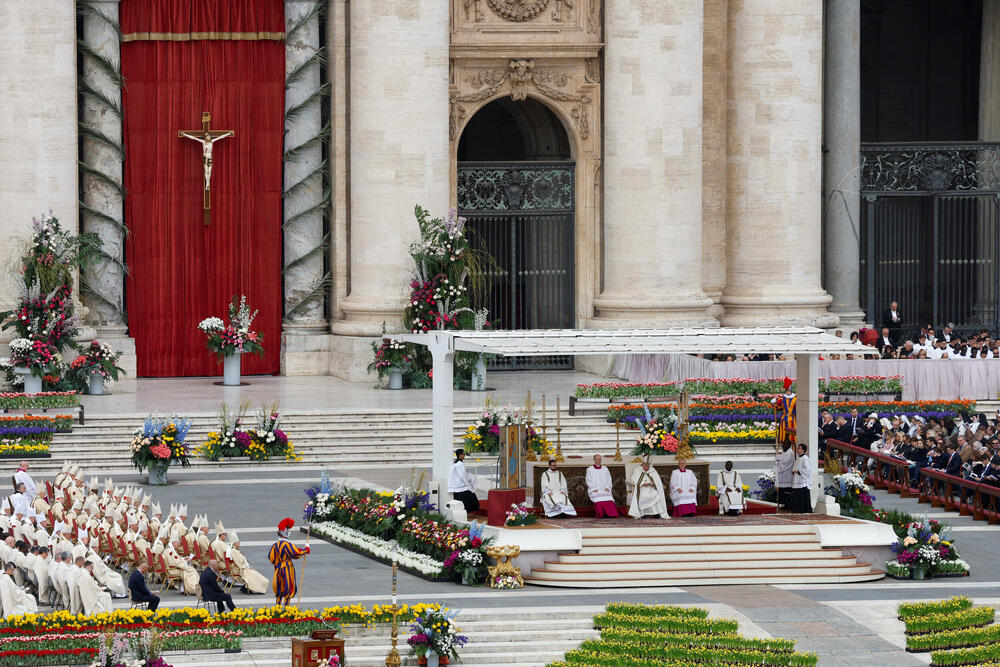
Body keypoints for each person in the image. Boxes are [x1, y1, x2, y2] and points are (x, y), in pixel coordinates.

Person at [268, 518, 309, 606]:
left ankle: (277, 609)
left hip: (278, 569)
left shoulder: (275, 545)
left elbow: (271, 558)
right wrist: (305, 549)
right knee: (288, 589)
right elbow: (296, 553)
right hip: (287, 568)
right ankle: (287, 609)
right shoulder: (287, 544)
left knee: (279, 590)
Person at [448, 449, 479, 513]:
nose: (464, 455)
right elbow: (462, 475)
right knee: (470, 499)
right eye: (463, 454)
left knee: (462, 501)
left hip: (458, 486)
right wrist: (468, 484)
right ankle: (467, 513)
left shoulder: (456, 463)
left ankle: (466, 513)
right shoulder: (459, 464)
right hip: (462, 486)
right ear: (459, 455)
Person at [771, 378, 796, 446]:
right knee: (784, 435)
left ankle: (793, 447)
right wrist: (773, 403)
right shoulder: (782, 399)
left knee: (793, 435)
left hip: (792, 420)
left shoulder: (795, 400)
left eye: (789, 391)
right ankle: (784, 447)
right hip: (784, 419)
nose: (788, 392)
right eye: (787, 391)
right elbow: (777, 407)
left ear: (791, 391)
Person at [790, 444, 812, 513]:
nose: (797, 449)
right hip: (797, 479)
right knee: (797, 495)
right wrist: (793, 470)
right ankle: (798, 509)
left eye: (799, 448)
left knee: (802, 495)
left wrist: (798, 471)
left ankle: (804, 509)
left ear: (803, 450)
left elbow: (808, 470)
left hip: (802, 481)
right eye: (797, 448)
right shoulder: (799, 458)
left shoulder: (805, 458)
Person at [774, 442, 795, 510]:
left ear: (789, 445)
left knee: (787, 490)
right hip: (783, 476)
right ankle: (784, 504)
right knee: (782, 491)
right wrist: (778, 457)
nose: (783, 446)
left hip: (788, 476)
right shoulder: (785, 453)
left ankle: (788, 504)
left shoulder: (791, 454)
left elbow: (785, 463)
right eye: (783, 445)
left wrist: (779, 460)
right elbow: (781, 458)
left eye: (785, 445)